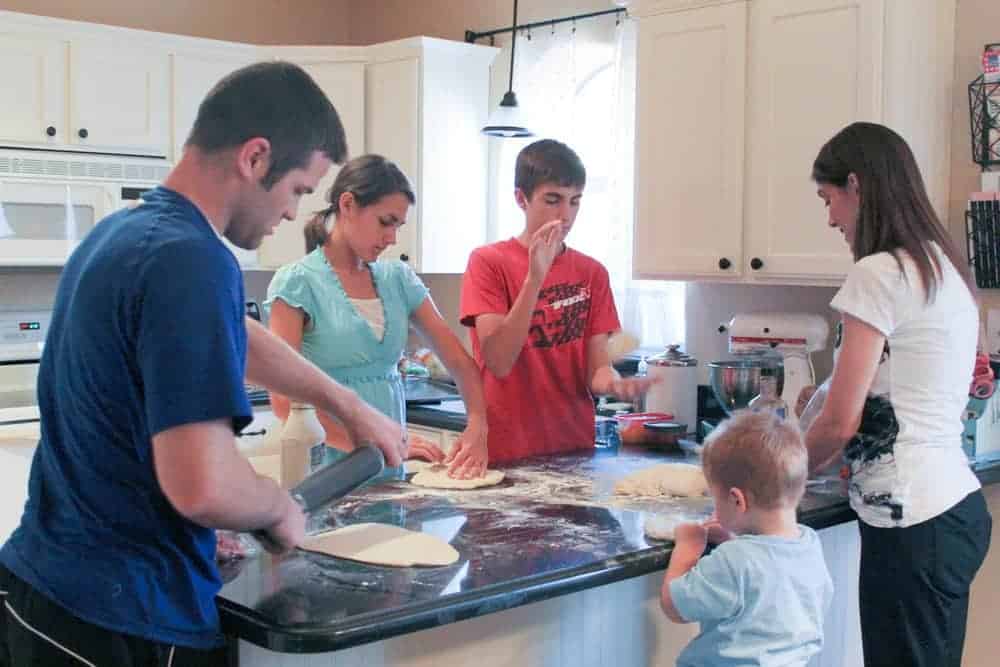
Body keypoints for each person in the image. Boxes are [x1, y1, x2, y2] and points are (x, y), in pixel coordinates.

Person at [0, 62, 407, 666]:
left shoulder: (121, 236)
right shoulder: (192, 259)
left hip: (42, 592)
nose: (295, 214)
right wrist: (276, 507)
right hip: (121, 618)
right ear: (256, 157)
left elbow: (234, 334)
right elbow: (204, 486)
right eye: (298, 189)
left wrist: (345, 403)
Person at [802, 121, 992, 667]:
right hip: (948, 509)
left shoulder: (878, 272)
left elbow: (841, 420)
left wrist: (779, 484)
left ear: (856, 185)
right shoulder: (941, 265)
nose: (831, 217)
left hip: (914, 522)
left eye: (829, 198)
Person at [266, 154, 488, 480]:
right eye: (386, 222)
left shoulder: (399, 279)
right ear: (348, 205)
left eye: (398, 225)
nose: (392, 238)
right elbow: (284, 403)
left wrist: (478, 426)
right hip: (327, 474)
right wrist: (374, 443)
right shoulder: (297, 283)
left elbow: (459, 362)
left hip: (389, 470)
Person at [459, 139, 655, 462]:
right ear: (521, 199)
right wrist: (535, 277)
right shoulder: (488, 263)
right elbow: (498, 360)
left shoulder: (592, 273)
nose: (566, 215)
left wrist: (615, 383)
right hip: (506, 449)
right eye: (553, 200)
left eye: (574, 201)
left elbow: (596, 370)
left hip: (574, 449)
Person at [661, 410, 833, 667]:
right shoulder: (809, 545)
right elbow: (765, 569)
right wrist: (733, 539)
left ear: (736, 500)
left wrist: (688, 547)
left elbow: (675, 606)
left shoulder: (734, 561)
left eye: (715, 498)